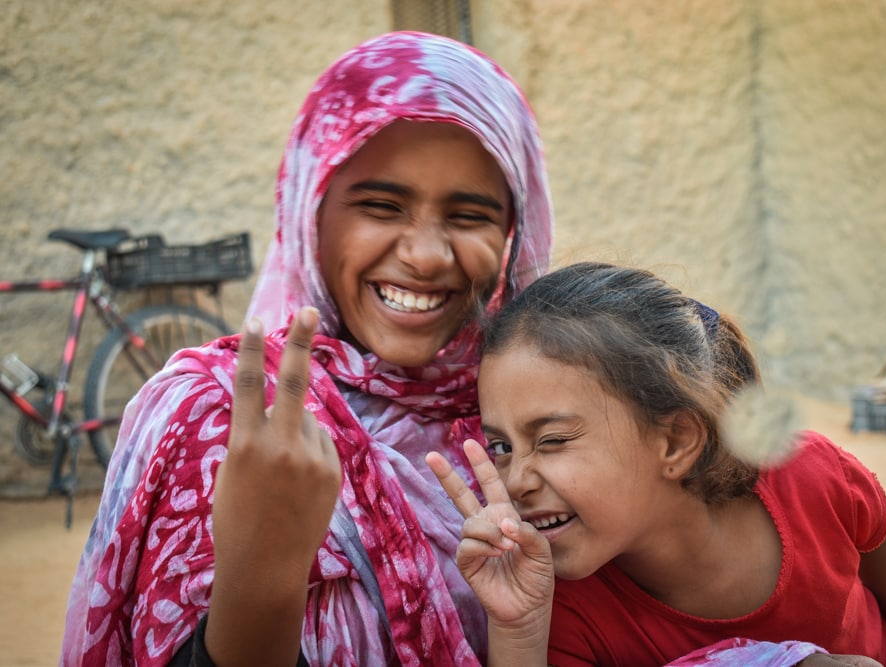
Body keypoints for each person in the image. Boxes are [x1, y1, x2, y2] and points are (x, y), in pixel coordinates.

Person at [60, 31, 554, 666]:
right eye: (381, 205)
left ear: (514, 229)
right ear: (310, 214)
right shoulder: (212, 416)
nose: (427, 255)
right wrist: (265, 566)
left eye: (469, 216)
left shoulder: (530, 416)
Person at [428, 262, 886, 667]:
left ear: (674, 441)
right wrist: (517, 627)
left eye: (551, 440)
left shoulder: (802, 472)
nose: (516, 480)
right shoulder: (567, 610)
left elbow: (877, 532)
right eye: (500, 446)